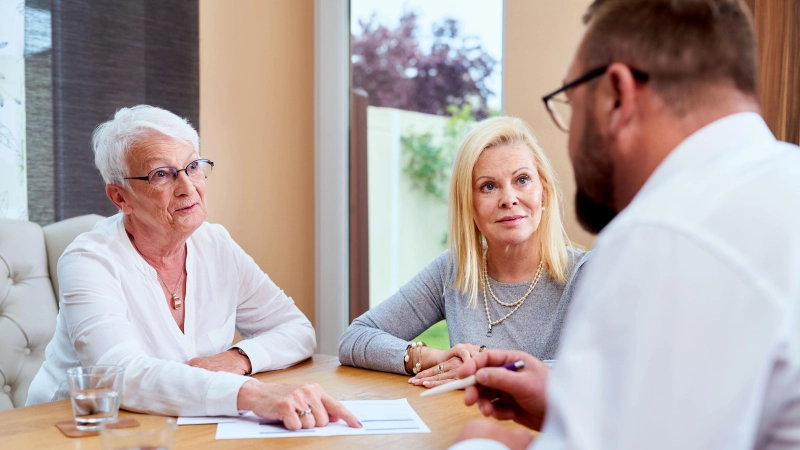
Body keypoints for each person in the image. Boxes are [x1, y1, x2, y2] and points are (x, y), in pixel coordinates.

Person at [451, 0, 800, 449]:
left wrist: (485, 443)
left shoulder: (666, 235)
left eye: (571, 106)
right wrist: (570, 404)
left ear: (617, 95)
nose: (570, 135)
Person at [26, 105, 359, 431]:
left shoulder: (216, 245)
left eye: (193, 167)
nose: (188, 187)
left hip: (176, 428)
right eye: (161, 175)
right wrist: (252, 394)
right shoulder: (88, 260)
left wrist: (239, 358)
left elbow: (297, 330)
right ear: (120, 198)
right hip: (72, 431)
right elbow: (120, 374)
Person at [338, 116, 591, 387]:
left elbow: (604, 366)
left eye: (522, 179)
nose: (509, 199)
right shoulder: (453, 270)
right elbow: (355, 338)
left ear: (545, 191)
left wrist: (486, 368)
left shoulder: (586, 274)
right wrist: (432, 357)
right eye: (488, 186)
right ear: (468, 205)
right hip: (467, 426)